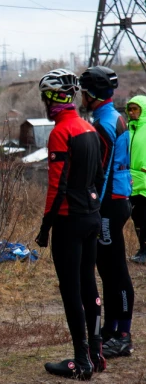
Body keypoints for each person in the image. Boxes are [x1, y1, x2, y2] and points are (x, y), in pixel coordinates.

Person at [35, 69, 105, 380]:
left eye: (44, 98)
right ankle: (96, 353)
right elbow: (98, 178)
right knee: (90, 285)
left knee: (71, 291)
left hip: (68, 220)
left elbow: (56, 186)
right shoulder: (88, 128)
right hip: (91, 215)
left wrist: (44, 227)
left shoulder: (60, 132)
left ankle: (81, 361)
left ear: (51, 98)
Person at [80, 66, 135, 359]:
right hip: (118, 199)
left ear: (92, 95)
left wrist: (92, 210)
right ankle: (114, 332)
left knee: (115, 271)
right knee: (108, 270)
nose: (81, 97)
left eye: (83, 92)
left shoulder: (102, 125)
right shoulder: (113, 116)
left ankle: (123, 336)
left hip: (108, 204)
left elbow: (99, 174)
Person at [127, 95, 146, 264]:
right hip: (131, 182)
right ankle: (142, 250)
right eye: (130, 109)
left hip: (145, 181)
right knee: (137, 218)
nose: (132, 112)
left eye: (136, 109)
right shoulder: (128, 129)